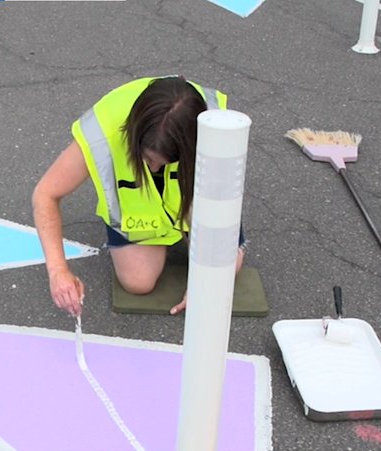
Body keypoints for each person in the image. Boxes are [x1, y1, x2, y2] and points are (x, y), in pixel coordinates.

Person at [32, 75, 245, 317]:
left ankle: (190, 230)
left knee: (222, 272)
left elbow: (222, 199)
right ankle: (165, 234)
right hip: (140, 215)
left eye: (167, 162)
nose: (154, 168)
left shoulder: (217, 128)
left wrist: (204, 286)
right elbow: (45, 194)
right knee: (137, 281)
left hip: (194, 202)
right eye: (148, 158)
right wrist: (58, 271)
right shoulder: (102, 133)